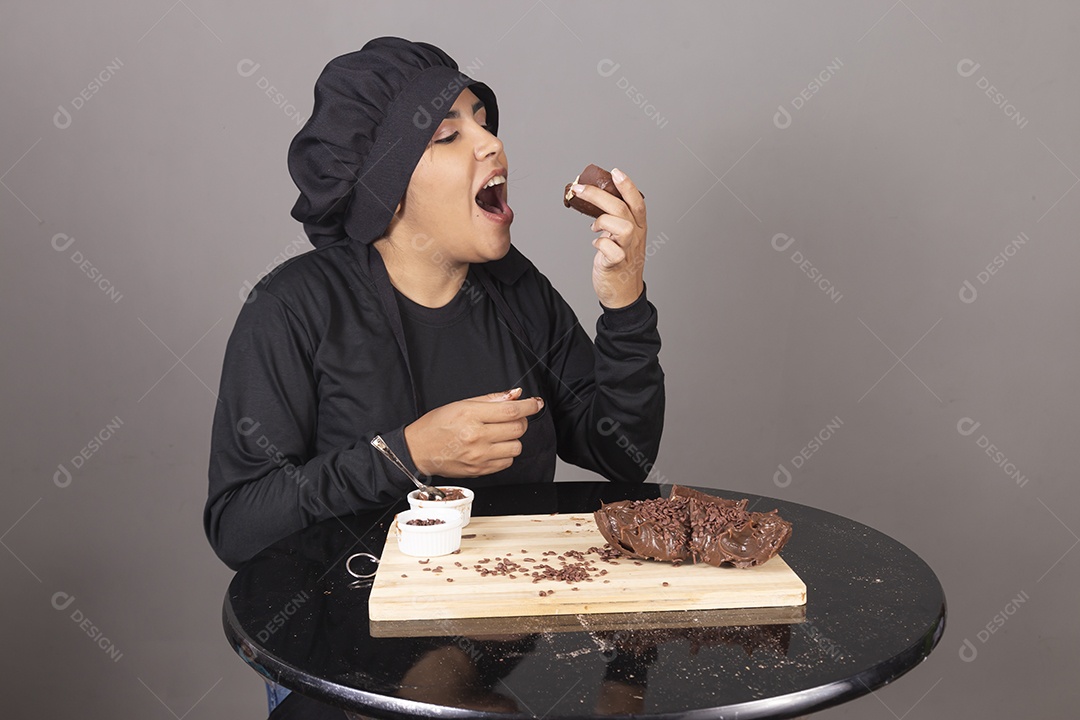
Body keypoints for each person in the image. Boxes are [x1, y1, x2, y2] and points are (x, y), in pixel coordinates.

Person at [205, 34, 663, 585]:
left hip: (502, 637)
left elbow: (624, 455)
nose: (491, 142)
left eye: (483, 120)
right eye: (447, 135)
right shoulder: (294, 308)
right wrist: (407, 452)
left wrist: (625, 302)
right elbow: (239, 525)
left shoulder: (517, 291)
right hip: (344, 644)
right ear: (387, 190)